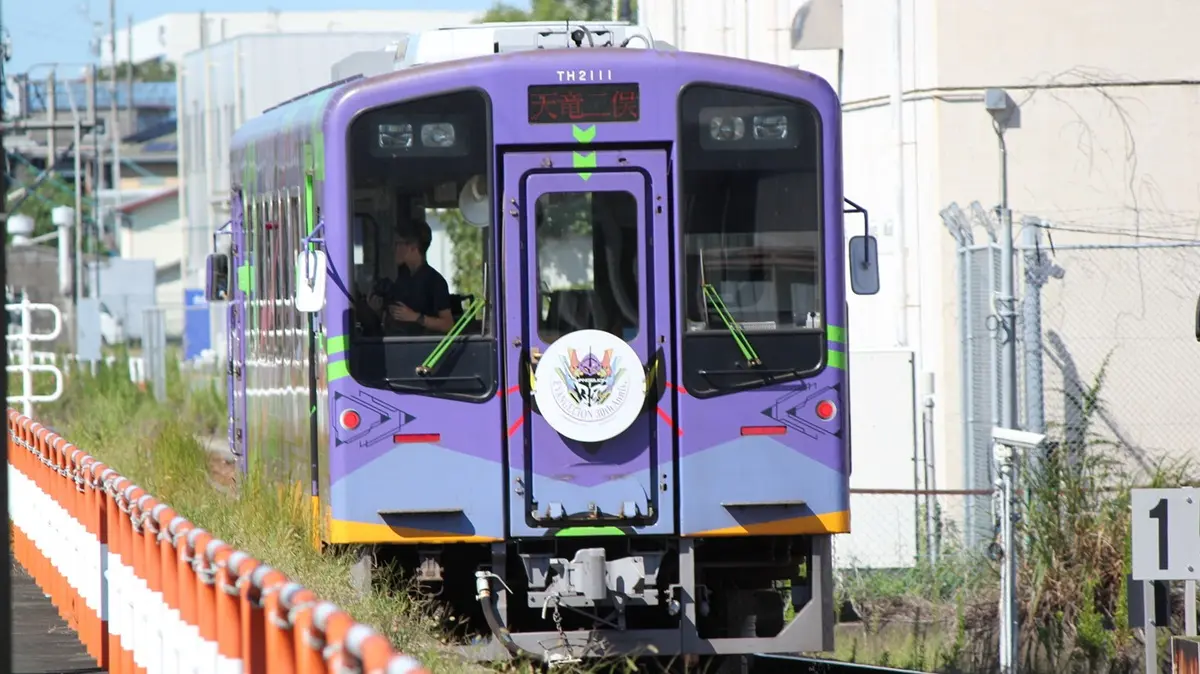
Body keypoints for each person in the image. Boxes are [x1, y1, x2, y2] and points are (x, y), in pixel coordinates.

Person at [367, 219, 455, 336]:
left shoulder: (435, 281)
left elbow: (448, 324)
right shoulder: (403, 276)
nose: (395, 249)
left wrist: (416, 317)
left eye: (398, 244)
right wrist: (377, 309)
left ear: (413, 246)